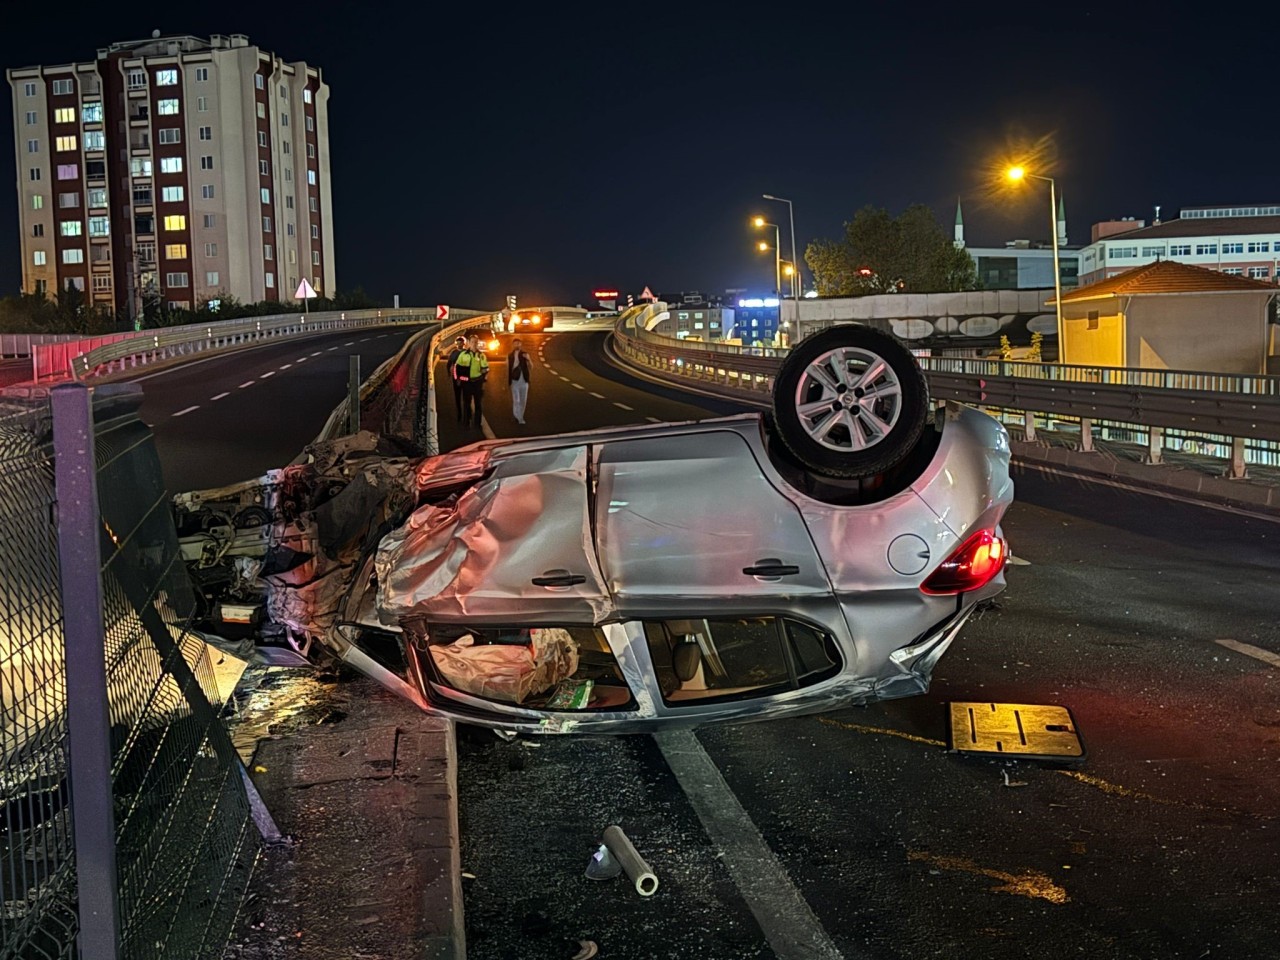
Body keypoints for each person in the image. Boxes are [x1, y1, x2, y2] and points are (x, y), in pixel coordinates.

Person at [454, 334, 490, 430]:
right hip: (467, 383)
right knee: (467, 403)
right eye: (472, 342)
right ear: (469, 343)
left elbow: (486, 368)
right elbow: (456, 368)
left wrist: (484, 373)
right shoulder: (463, 355)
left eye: (476, 342)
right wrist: (457, 379)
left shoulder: (481, 355)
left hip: (477, 382)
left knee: (478, 403)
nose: (474, 344)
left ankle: (477, 423)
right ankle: (466, 422)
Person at [508, 337, 531, 424]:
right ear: (513, 345)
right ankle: (517, 416)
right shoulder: (510, 356)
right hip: (514, 381)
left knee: (523, 400)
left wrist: (529, 359)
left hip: (524, 381)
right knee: (516, 400)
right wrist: (507, 381)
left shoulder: (525, 354)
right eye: (515, 343)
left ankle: (520, 416)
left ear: (521, 344)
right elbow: (508, 369)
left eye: (518, 343)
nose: (517, 345)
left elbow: (531, 367)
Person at [445, 335, 466, 423]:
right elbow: (449, 364)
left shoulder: (466, 353)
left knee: (465, 396)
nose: (459, 344)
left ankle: (464, 414)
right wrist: (449, 373)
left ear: (463, 344)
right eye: (458, 343)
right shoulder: (454, 353)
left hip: (464, 377)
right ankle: (460, 414)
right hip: (456, 376)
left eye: (460, 343)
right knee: (457, 396)